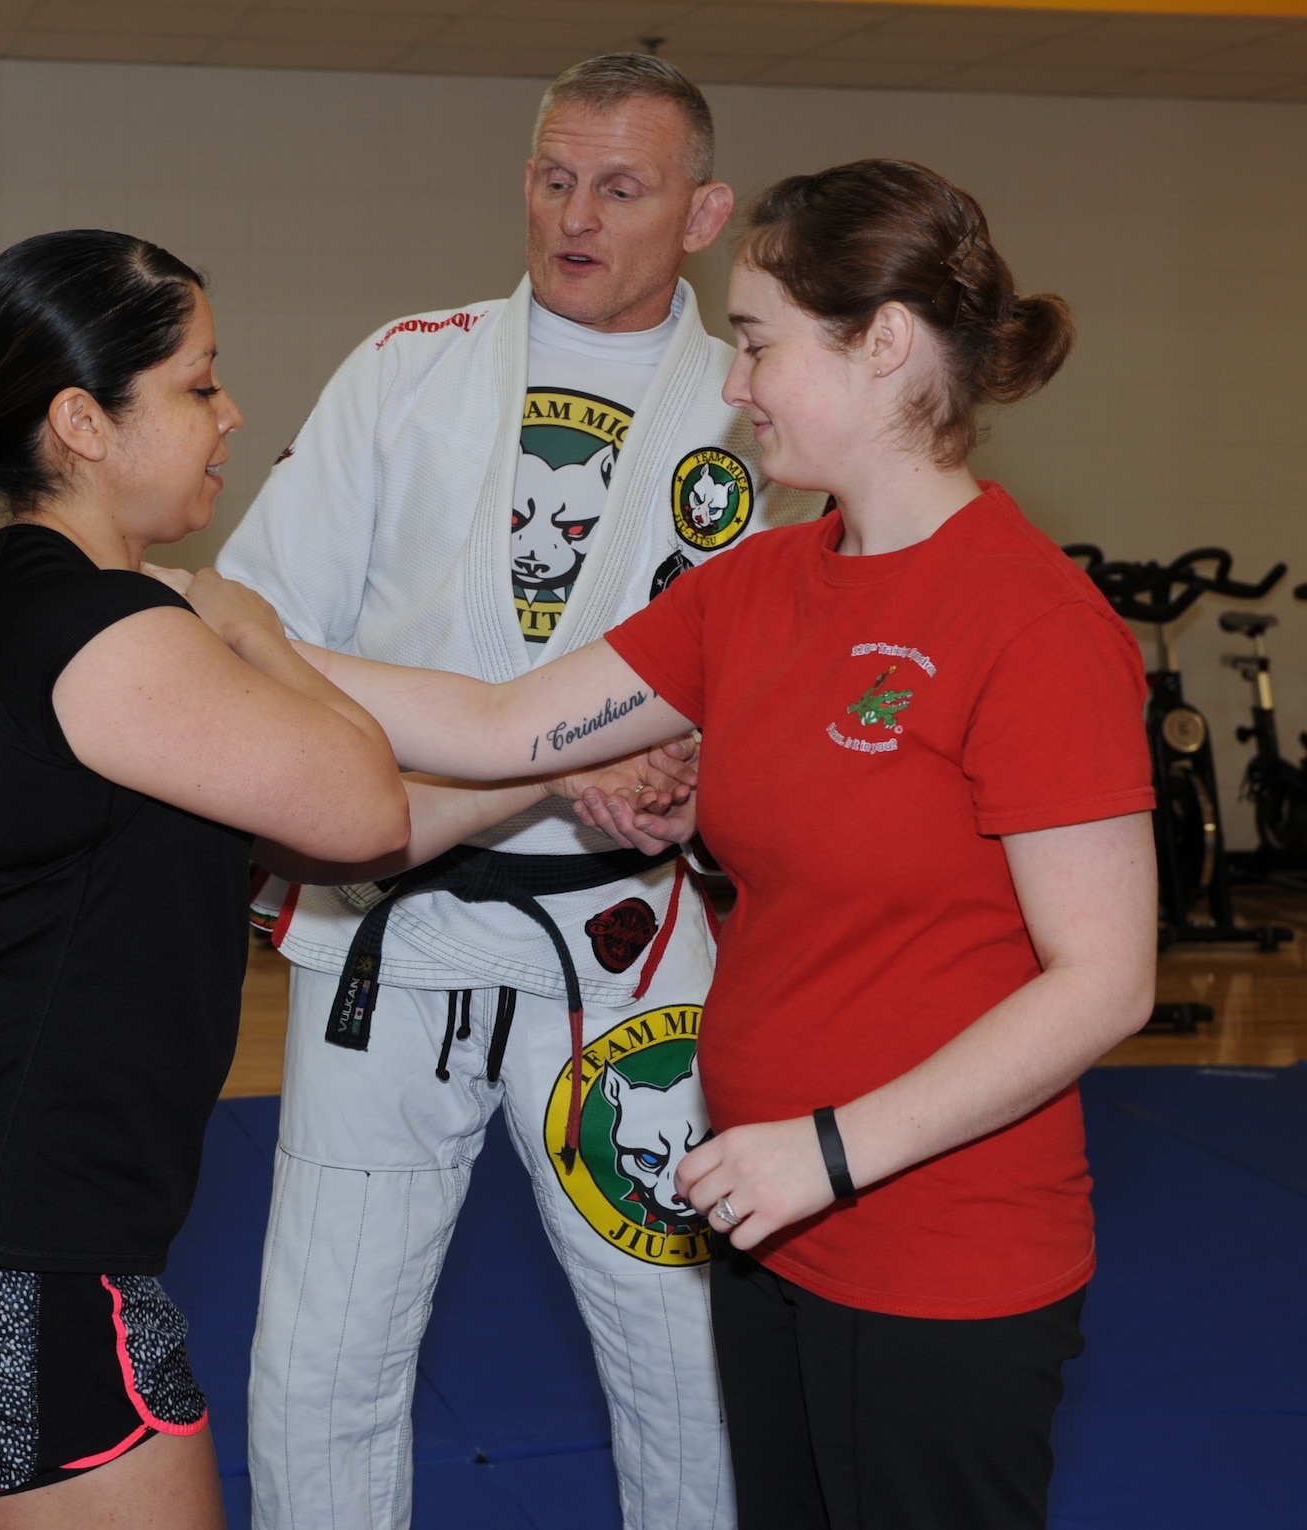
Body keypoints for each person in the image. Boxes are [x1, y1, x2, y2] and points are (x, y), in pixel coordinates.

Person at [190, 159, 1156, 1530]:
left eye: (758, 344)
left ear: (882, 346)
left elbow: (1105, 978)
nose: (736, 383)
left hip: (935, 1242)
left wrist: (830, 1150)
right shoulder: (758, 582)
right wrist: (224, 627)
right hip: (771, 1223)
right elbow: (501, 721)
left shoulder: (1033, 623)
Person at [0, 229, 672, 1530]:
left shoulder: (51, 592)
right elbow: (364, 801)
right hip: (9, 1233)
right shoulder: (122, 631)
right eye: (200, 384)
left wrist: (561, 770)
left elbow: (373, 786)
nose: (232, 412)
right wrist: (264, 631)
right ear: (84, 422)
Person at [215, 52, 822, 1529]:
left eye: (621, 186)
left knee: (682, 1350)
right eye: (553, 177)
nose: (575, 213)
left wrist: (699, 773)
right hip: (393, 924)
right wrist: (518, 762)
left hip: (634, 951)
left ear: (704, 211)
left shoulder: (762, 416)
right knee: (324, 1355)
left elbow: (805, 678)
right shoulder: (410, 365)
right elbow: (252, 629)